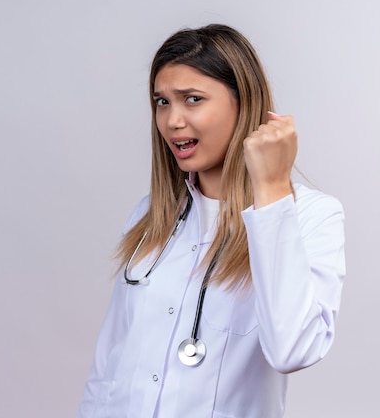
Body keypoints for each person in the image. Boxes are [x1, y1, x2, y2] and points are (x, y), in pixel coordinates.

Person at [75, 24, 346, 418]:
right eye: (162, 102)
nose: (172, 121)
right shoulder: (151, 216)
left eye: (192, 99)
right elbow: (108, 364)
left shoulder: (309, 216)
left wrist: (270, 191)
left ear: (243, 103)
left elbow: (294, 350)